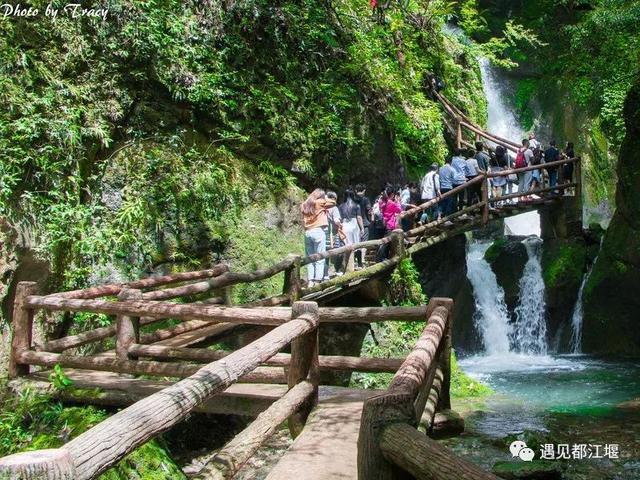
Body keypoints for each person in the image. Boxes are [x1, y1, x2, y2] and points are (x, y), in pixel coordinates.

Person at [301, 189, 336, 286]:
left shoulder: (304, 205)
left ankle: (310, 281)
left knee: (310, 258)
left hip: (308, 232)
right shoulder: (319, 202)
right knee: (320, 257)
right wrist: (325, 197)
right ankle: (317, 281)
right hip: (318, 231)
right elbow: (333, 202)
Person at [338, 188, 364, 273]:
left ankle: (345, 265)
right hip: (354, 224)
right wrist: (362, 228)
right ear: (353, 195)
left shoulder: (341, 206)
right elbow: (359, 217)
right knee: (357, 244)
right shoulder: (356, 205)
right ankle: (359, 264)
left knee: (346, 244)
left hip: (345, 225)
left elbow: (340, 219)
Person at [323, 191, 342, 279]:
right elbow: (336, 220)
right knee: (338, 251)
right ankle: (337, 270)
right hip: (332, 234)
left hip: (323, 232)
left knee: (325, 254)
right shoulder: (334, 208)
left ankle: (325, 274)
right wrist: (340, 225)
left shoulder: (322, 207)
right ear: (333, 199)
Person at [354, 184, 372, 269]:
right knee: (364, 243)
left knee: (356, 243)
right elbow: (369, 211)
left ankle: (356, 261)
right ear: (364, 190)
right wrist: (372, 218)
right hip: (364, 224)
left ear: (355, 190)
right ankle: (362, 260)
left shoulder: (353, 199)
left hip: (354, 225)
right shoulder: (366, 200)